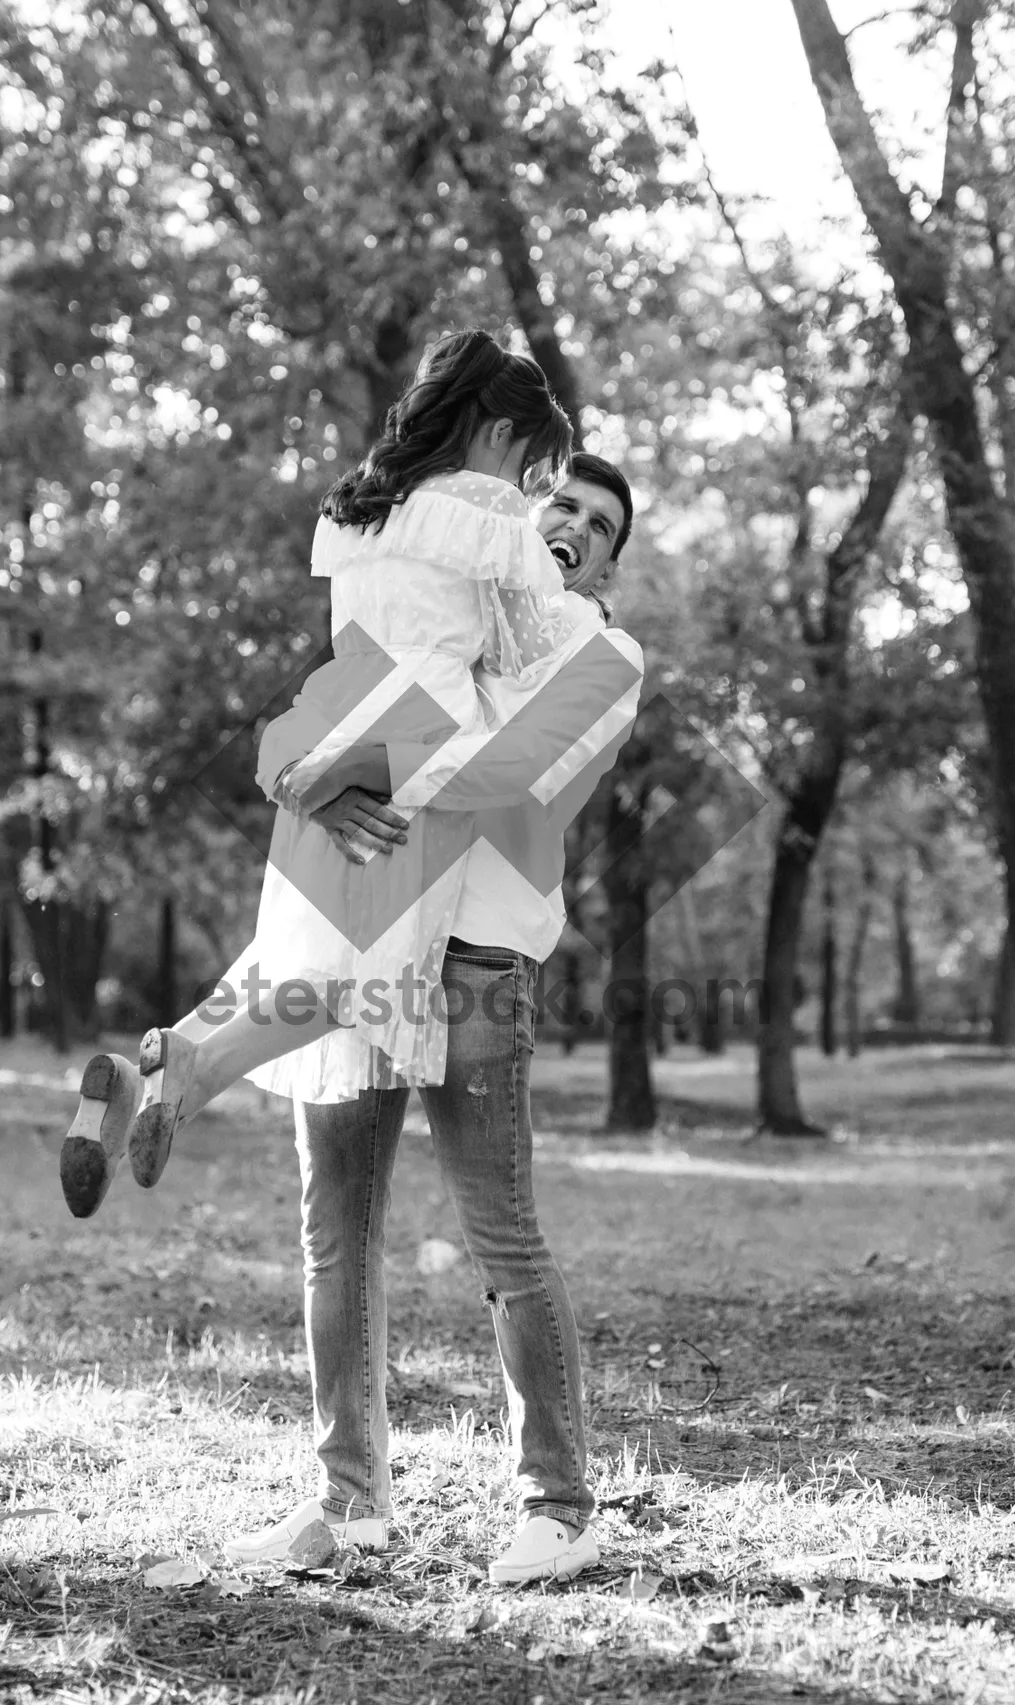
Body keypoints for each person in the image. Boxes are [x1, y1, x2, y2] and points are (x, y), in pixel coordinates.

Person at [60, 333, 606, 1219]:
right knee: (364, 979)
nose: (529, 486)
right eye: (529, 461)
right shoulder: (489, 509)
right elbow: (517, 649)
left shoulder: (362, 504)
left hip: (337, 716)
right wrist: (571, 594)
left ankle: (153, 1078)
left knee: (306, 952)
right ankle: (189, 1066)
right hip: (416, 740)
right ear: (501, 432)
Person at [221, 451, 643, 1587]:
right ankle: (349, 1504)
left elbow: (504, 773)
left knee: (502, 1238)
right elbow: (286, 737)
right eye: (560, 502)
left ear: (609, 564)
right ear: (514, 516)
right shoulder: (440, 617)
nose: (575, 527)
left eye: (600, 526)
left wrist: (335, 769)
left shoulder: (602, 653)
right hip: (365, 942)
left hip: (476, 967)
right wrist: (299, 768)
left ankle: (559, 1507)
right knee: (336, 1237)